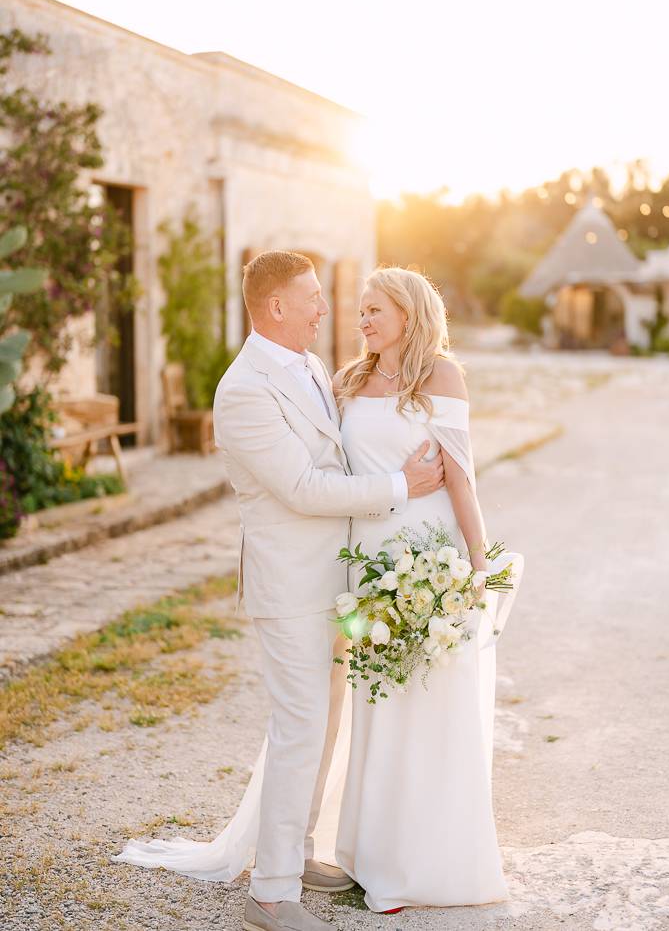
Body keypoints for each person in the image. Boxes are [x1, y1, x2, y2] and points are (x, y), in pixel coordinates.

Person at [113, 251, 444, 931]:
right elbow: (301, 487)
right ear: (276, 306)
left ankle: (296, 850)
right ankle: (269, 892)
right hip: (290, 585)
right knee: (299, 727)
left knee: (325, 722)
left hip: (337, 581)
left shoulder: (312, 367)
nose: (325, 308)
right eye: (313, 297)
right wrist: (399, 487)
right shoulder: (243, 390)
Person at [333, 266, 522, 912]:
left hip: (431, 557)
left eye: (374, 310)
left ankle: (429, 863)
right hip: (367, 561)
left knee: (432, 703)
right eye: (360, 310)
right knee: (378, 703)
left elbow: (461, 478)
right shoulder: (348, 381)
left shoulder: (441, 376)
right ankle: (369, 856)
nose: (362, 320)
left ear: (408, 315)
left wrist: (479, 566)